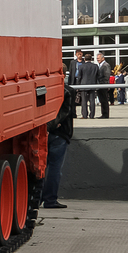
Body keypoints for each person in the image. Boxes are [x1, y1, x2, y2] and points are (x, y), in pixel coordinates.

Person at [42, 76, 75, 209]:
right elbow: (67, 112)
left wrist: (46, 127)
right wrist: (53, 126)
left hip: (43, 132)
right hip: (60, 134)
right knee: (55, 168)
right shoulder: (68, 91)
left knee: (41, 167)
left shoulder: (43, 88)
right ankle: (50, 199)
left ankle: (36, 198)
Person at [76, 53, 100, 119]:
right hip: (92, 85)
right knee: (92, 101)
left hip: (83, 85)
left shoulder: (81, 66)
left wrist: (78, 85)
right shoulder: (95, 66)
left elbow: (79, 77)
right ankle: (92, 115)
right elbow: (98, 76)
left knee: (84, 101)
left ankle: (84, 115)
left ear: (84, 59)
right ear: (91, 59)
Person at [95, 52, 111, 119]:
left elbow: (107, 75)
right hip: (99, 85)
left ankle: (105, 114)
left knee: (104, 100)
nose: (97, 59)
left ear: (103, 58)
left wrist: (102, 83)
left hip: (103, 85)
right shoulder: (100, 65)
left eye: (98, 58)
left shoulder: (106, 65)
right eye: (97, 58)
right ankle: (103, 113)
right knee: (102, 100)